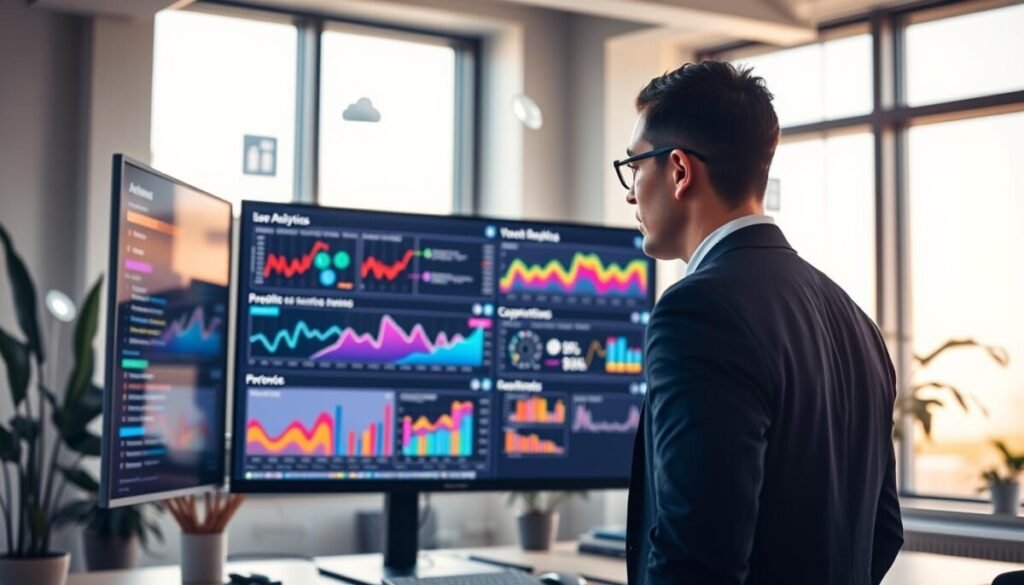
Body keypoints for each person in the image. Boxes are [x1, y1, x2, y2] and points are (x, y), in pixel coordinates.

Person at [619, 61, 903, 585]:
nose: (631, 193)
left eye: (634, 166)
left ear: (679, 170)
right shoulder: (857, 322)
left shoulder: (697, 312)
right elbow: (882, 534)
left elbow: (696, 559)